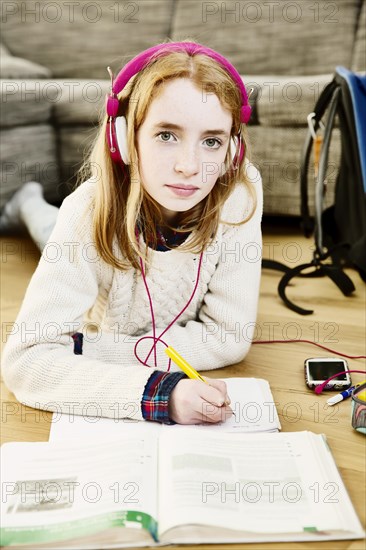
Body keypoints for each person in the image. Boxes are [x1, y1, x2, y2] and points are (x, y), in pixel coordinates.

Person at [1, 40, 263, 425]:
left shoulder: (240, 194)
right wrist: (161, 393)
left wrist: (88, 348)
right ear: (124, 139)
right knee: (49, 226)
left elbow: (229, 338)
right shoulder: (85, 212)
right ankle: (27, 202)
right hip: (88, 230)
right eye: (166, 135)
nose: (189, 166)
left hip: (103, 328)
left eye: (211, 142)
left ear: (232, 152)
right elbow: (26, 360)